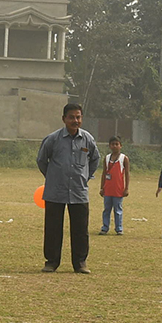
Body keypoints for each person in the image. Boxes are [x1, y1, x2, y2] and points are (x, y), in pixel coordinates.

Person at [37, 103, 99, 274]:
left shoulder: (87, 139)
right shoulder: (53, 139)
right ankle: (51, 262)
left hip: (79, 191)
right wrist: (52, 177)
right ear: (64, 119)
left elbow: (95, 159)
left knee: (80, 230)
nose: (75, 120)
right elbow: (41, 160)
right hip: (55, 191)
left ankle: (80, 263)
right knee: (53, 228)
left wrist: (85, 176)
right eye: (71, 117)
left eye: (78, 117)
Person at [99, 136, 129, 236]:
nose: (115, 146)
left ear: (121, 146)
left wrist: (126, 188)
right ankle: (105, 227)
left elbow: (127, 174)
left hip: (118, 189)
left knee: (118, 210)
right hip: (108, 189)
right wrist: (102, 187)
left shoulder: (124, 158)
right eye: (112, 144)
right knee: (106, 209)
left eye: (117, 144)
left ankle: (119, 228)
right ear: (109, 146)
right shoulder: (107, 158)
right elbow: (104, 173)